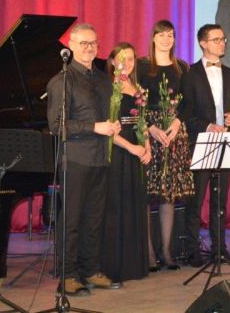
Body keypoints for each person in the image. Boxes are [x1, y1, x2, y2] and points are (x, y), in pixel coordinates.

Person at [46, 23, 121, 295]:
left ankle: (91, 270)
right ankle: (68, 275)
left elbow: (107, 115)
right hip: (75, 160)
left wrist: (113, 125)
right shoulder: (62, 80)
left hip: (100, 157)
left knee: (94, 219)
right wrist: (94, 127)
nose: (89, 48)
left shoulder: (103, 79)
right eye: (83, 43)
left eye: (93, 43)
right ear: (71, 46)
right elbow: (57, 126)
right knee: (72, 221)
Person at [138, 20, 194, 270]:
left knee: (168, 195)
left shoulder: (182, 66)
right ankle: (149, 253)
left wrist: (177, 123)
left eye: (170, 35)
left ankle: (167, 252)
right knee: (147, 193)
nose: (166, 39)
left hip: (174, 134)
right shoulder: (141, 65)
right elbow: (136, 101)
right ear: (153, 37)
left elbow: (188, 102)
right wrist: (150, 127)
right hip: (148, 133)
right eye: (161, 35)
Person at [181, 24, 230, 267]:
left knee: (220, 200)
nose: (222, 43)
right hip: (200, 142)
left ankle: (219, 248)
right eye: (216, 39)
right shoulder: (190, 74)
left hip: (226, 143)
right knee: (195, 199)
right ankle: (192, 249)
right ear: (203, 43)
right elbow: (185, 113)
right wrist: (207, 126)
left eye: (223, 39)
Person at [101, 43, 151, 283]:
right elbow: (108, 130)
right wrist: (132, 147)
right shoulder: (108, 88)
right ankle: (115, 267)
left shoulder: (137, 87)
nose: (127, 63)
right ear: (113, 62)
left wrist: (147, 147)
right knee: (116, 208)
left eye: (131, 59)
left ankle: (134, 266)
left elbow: (142, 122)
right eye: (122, 59)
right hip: (119, 153)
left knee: (134, 206)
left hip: (137, 154)